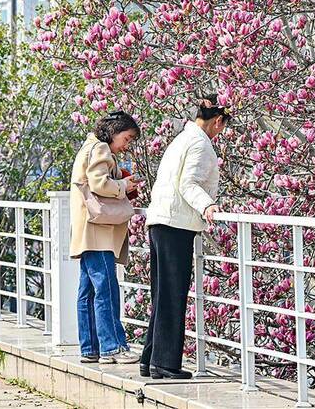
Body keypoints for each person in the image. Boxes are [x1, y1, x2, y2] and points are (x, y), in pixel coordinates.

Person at [139, 96, 228, 379]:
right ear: (217, 121)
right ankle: (165, 363)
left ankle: (150, 358)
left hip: (161, 220)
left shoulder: (181, 139)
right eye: (223, 126)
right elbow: (188, 183)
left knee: (162, 293)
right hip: (175, 225)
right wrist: (207, 205)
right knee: (172, 294)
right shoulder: (201, 144)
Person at [70, 111, 143, 364]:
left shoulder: (89, 147)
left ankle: (90, 348)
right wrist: (124, 186)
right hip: (97, 231)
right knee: (106, 289)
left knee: (88, 291)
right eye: (127, 138)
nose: (127, 145)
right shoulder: (100, 148)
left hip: (87, 230)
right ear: (114, 132)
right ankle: (113, 347)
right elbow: (99, 183)